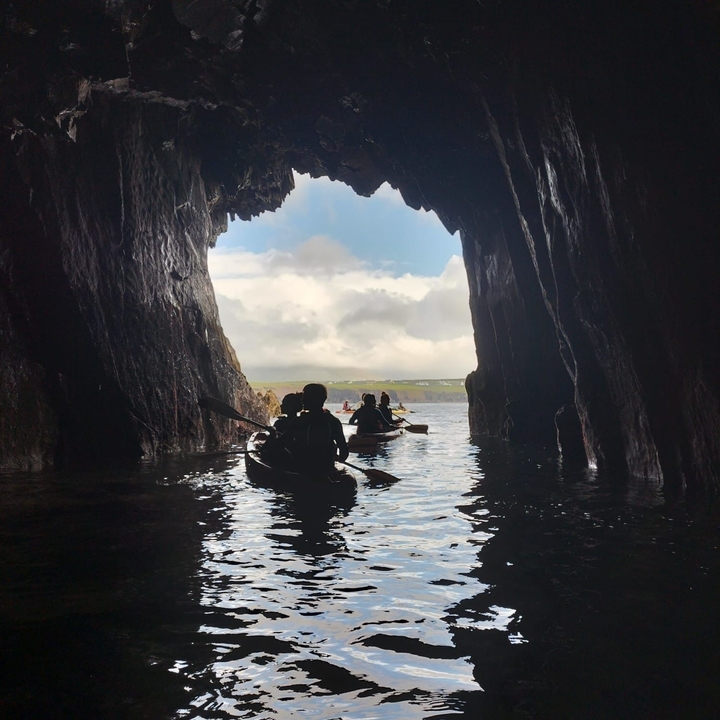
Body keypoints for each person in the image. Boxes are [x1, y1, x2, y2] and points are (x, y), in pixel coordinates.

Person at [283, 383, 349, 474]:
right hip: (326, 467)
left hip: (301, 468)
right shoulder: (333, 421)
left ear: (311, 399)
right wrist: (337, 458)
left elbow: (281, 443)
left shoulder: (298, 421)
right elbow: (344, 452)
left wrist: (273, 435)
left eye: (304, 396)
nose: (302, 400)